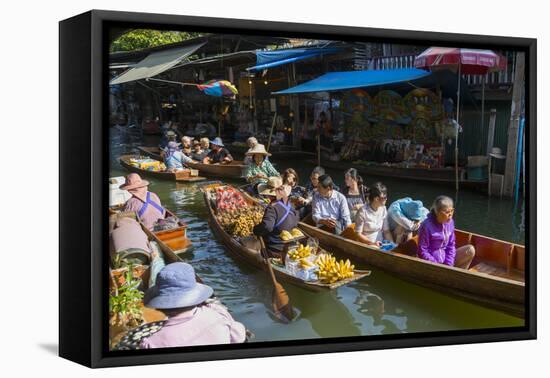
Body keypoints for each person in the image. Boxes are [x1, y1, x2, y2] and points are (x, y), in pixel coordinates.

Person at [139, 262, 246, 348]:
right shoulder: (218, 313)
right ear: (194, 297)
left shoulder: (152, 343)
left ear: (160, 306)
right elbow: (239, 337)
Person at [417, 195, 476, 269]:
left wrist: (449, 264)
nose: (450, 214)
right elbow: (422, 251)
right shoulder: (426, 226)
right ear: (437, 212)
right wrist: (437, 265)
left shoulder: (450, 222)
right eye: (447, 212)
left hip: (446, 260)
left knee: (470, 250)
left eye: (452, 211)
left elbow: (451, 245)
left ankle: (459, 275)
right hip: (432, 263)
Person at [253, 177, 299, 258]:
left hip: (275, 249)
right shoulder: (290, 204)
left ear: (269, 195)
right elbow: (296, 219)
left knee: (247, 242)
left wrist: (256, 230)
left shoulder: (272, 207)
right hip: (290, 246)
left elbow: (267, 227)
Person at [355, 182, 393, 246]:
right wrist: (372, 243)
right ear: (376, 199)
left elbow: (386, 231)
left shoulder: (383, 209)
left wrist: (392, 245)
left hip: (381, 244)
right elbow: (358, 234)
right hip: (367, 245)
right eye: (384, 197)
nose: (386, 199)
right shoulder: (363, 211)